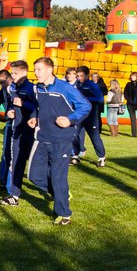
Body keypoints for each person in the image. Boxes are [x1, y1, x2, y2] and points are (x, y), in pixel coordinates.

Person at [27, 56, 90, 225]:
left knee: (58, 177)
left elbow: (85, 106)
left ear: (49, 69)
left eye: (38, 69)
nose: (36, 73)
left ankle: (64, 213)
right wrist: (34, 117)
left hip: (61, 139)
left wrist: (70, 119)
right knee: (33, 176)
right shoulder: (38, 88)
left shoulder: (65, 88)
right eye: (35, 69)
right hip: (41, 138)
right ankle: (60, 192)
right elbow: (38, 107)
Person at [0, 60, 37, 207]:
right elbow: (10, 106)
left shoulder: (32, 88)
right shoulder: (11, 88)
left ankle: (57, 191)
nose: (12, 76)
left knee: (38, 166)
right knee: (16, 162)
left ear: (25, 73)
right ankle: (13, 195)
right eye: (12, 73)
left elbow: (38, 108)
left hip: (33, 132)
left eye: (15, 73)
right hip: (17, 131)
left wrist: (24, 105)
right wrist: (11, 111)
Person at [72, 65, 106, 167]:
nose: (79, 78)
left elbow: (100, 99)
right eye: (78, 76)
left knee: (94, 136)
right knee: (74, 134)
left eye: (81, 76)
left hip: (91, 115)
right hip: (79, 115)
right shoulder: (77, 85)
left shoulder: (93, 86)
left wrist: (85, 99)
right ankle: (75, 156)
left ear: (87, 75)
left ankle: (101, 158)